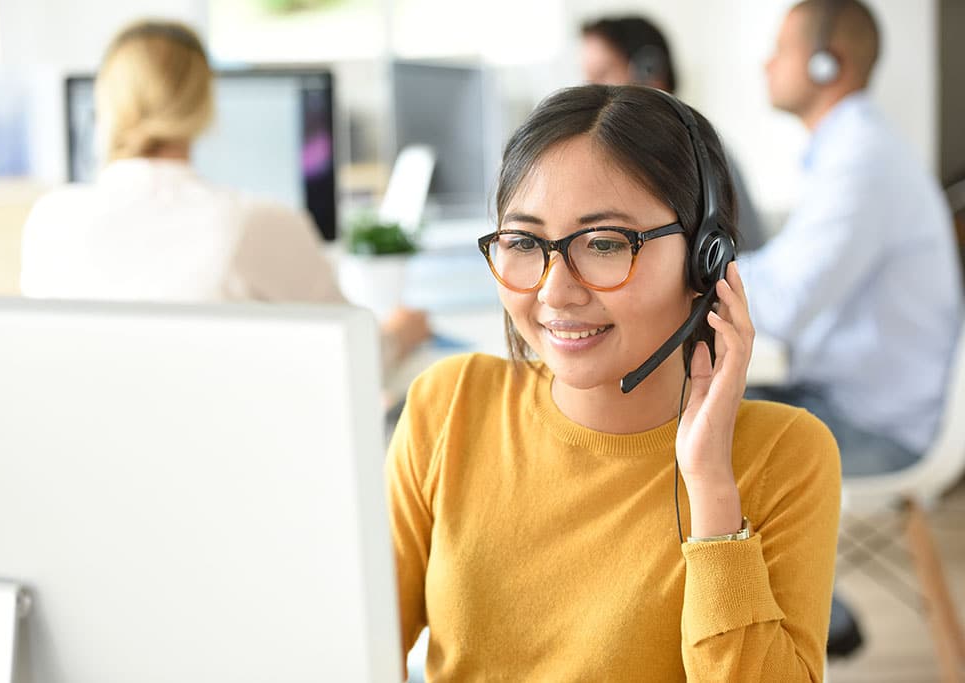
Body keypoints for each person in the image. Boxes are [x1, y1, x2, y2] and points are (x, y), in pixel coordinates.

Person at [387, 84, 840, 681]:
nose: (553, 291)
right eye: (523, 242)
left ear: (706, 258)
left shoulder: (785, 455)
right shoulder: (447, 403)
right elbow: (351, 641)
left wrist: (710, 489)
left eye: (603, 243)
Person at [743, 0, 964, 656]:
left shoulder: (860, 160)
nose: (767, 63)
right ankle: (800, 608)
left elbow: (781, 303)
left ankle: (791, 623)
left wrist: (680, 277)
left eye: (781, 48)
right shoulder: (847, 151)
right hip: (856, 401)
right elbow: (781, 274)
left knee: (688, 430)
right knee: (692, 410)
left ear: (824, 61)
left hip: (882, 429)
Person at [19, 20, 429, 369]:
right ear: (204, 105)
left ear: (103, 104)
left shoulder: (49, 221)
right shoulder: (253, 223)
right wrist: (400, 333)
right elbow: (356, 354)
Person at [580, 15, 770, 252]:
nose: (590, 91)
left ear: (648, 70)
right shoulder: (595, 156)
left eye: (602, 73)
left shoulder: (701, 154)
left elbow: (749, 254)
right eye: (588, 79)